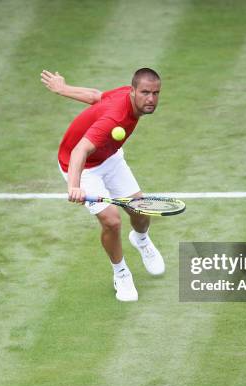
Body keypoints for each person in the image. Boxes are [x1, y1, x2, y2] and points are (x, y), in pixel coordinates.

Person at [41, 68, 165, 302]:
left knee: (140, 209)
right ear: (133, 92)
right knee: (112, 220)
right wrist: (74, 186)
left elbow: (97, 96)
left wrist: (63, 89)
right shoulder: (115, 119)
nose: (151, 99)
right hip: (81, 166)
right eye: (145, 93)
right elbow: (80, 150)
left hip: (109, 157)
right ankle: (121, 273)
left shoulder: (123, 95)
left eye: (155, 93)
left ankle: (141, 240)